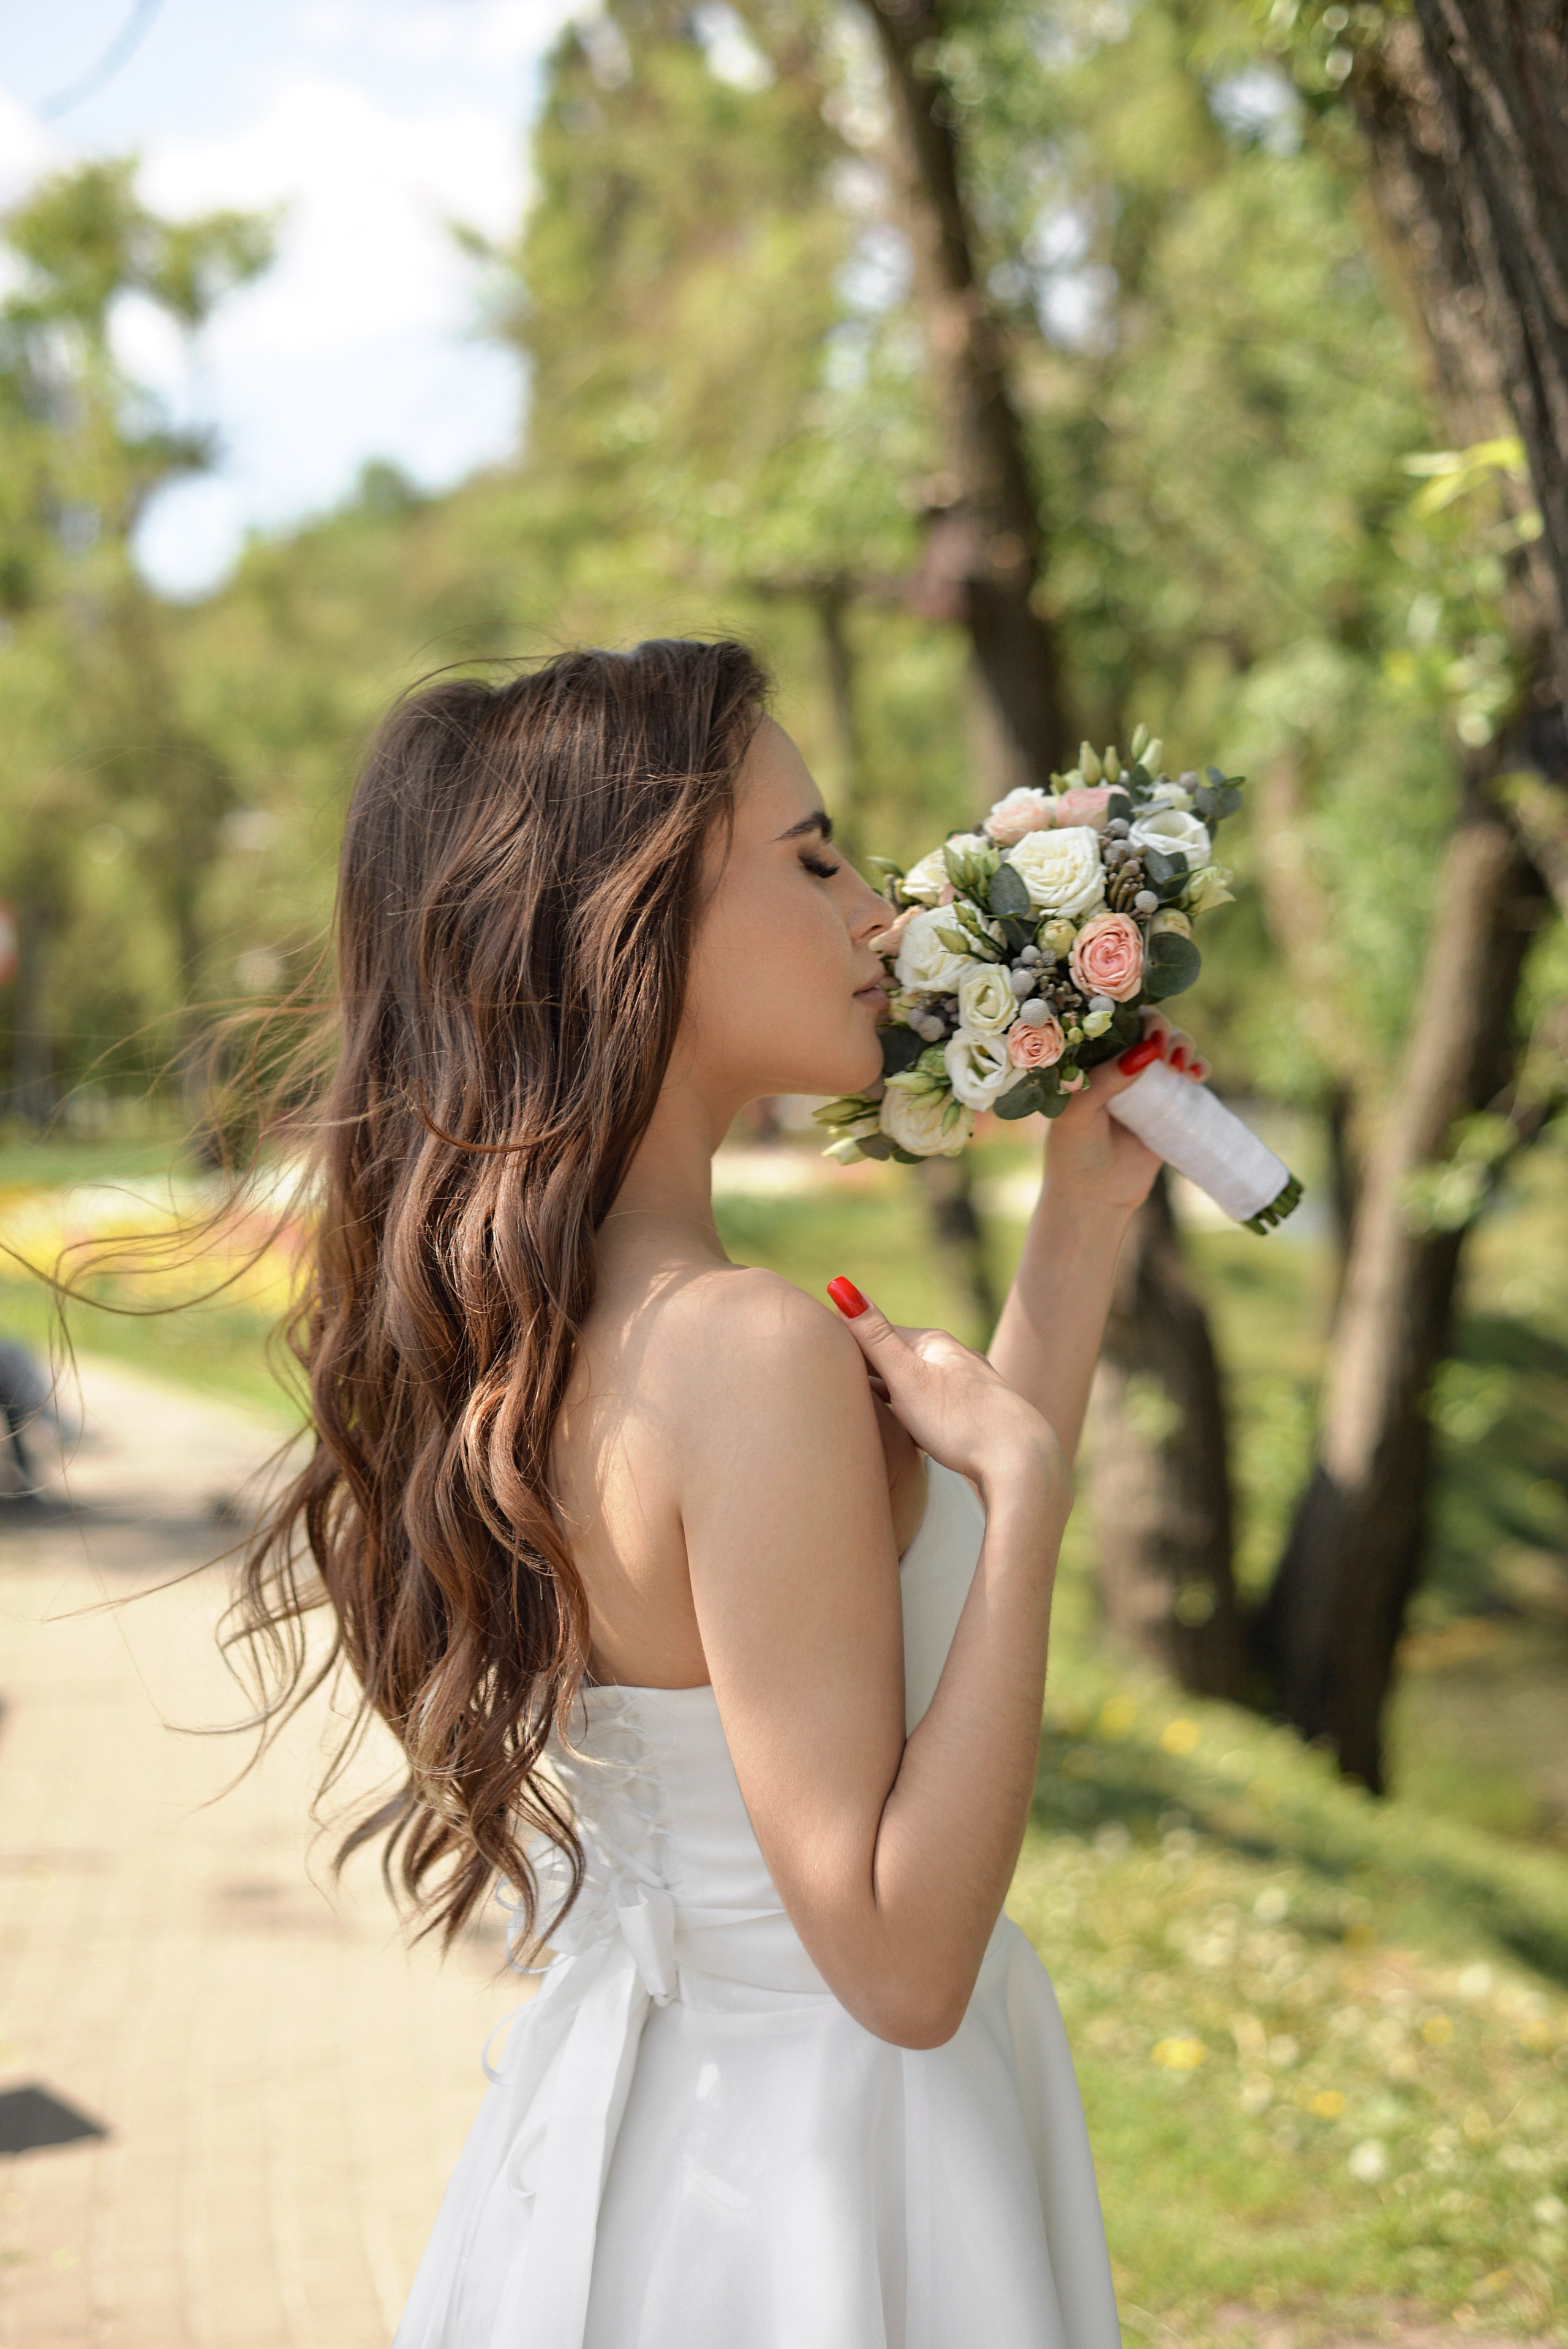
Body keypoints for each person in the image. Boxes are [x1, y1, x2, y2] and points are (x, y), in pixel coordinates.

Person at [238, 638, 1202, 2348]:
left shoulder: (578, 1331)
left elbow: (889, 1635)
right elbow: (902, 1967)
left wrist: (1078, 1226)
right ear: (638, 910)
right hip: (823, 2171)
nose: (879, 916)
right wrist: (1039, 1501)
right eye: (815, 854)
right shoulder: (743, 1350)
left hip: (654, 2141)